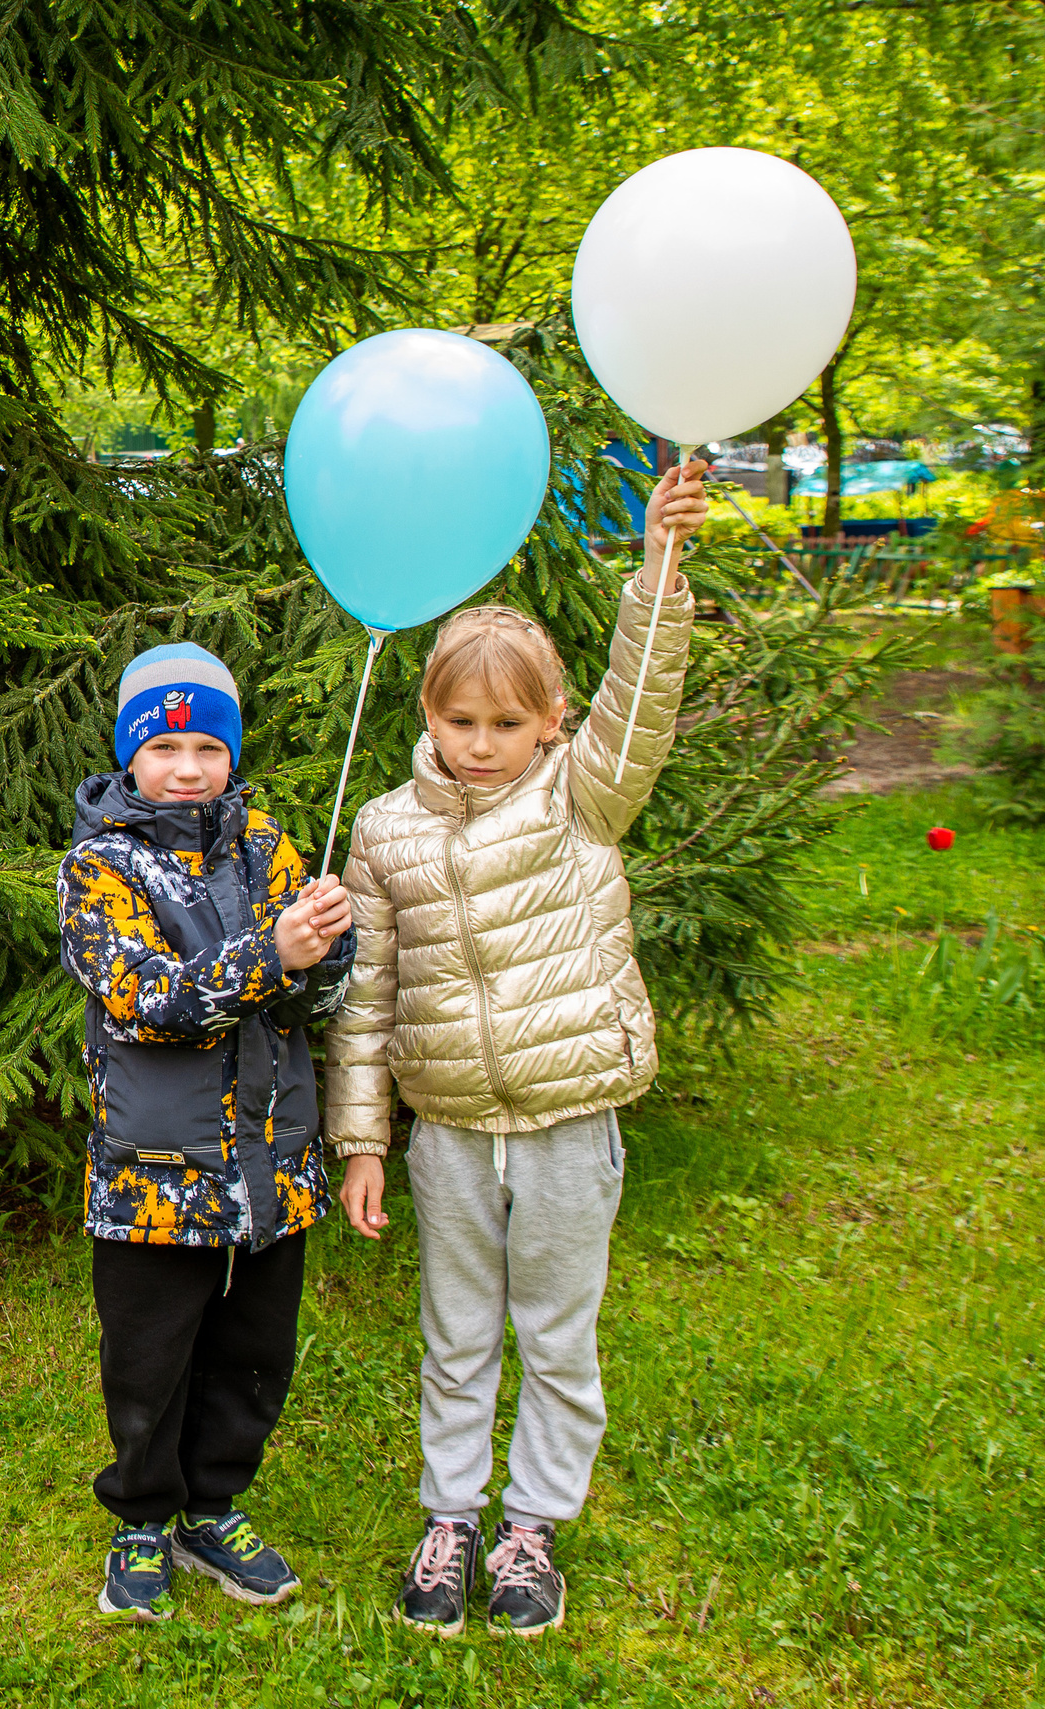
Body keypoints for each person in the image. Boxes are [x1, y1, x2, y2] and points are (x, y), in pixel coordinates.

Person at [327, 461, 711, 1637]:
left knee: (553, 1331)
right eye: (460, 720)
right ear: (427, 718)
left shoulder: (579, 801)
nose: (482, 743)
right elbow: (367, 998)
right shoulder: (385, 831)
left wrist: (659, 571)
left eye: (507, 722)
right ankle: (449, 1519)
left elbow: (638, 701)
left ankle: (531, 1527)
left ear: (551, 722)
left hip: (562, 1123)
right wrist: (361, 1139)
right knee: (455, 1333)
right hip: (446, 1132)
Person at [57, 641, 357, 1622]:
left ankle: (213, 1506)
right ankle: (142, 1516)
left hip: (271, 1163)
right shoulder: (97, 866)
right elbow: (148, 999)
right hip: (153, 1173)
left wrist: (327, 944)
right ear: (131, 754)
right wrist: (273, 952)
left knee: (255, 1349)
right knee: (149, 1353)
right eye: (166, 744)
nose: (188, 767)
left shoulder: (266, 846)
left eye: (207, 746)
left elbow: (314, 994)